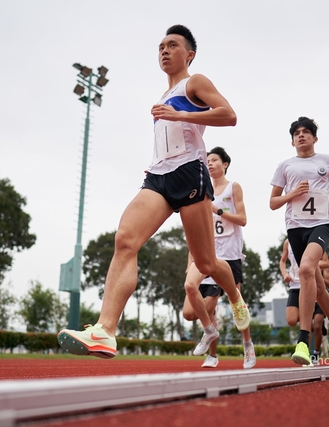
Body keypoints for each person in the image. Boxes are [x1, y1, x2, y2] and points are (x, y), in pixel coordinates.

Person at [58, 25, 250, 358]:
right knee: (125, 239)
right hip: (158, 177)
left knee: (205, 261)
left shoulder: (195, 82)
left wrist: (181, 112)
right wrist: (154, 162)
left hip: (190, 173)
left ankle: (234, 295)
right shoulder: (161, 96)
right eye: (160, 46)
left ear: (188, 54)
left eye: (172, 45)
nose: (164, 50)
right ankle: (105, 330)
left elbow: (229, 115)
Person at [270, 116, 329, 365]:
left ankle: (303, 341)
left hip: (322, 223)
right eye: (297, 133)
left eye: (306, 132)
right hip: (295, 227)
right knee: (316, 284)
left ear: (314, 138)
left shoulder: (328, 161)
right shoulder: (285, 166)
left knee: (307, 268)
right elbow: (273, 203)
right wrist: (292, 194)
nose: (301, 135)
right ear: (292, 141)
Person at [182, 146, 255, 369]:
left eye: (214, 160)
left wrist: (218, 211)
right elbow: (195, 230)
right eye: (207, 160)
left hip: (230, 255)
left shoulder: (233, 188)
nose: (210, 163)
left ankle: (247, 345)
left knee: (237, 307)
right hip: (207, 255)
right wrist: (190, 262)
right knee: (189, 312)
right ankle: (211, 345)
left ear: (224, 164)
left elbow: (242, 219)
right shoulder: (201, 189)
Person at [279, 239, 329, 364]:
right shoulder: (288, 242)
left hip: (311, 286)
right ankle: (308, 324)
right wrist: (285, 273)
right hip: (295, 286)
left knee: (316, 325)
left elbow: (327, 263)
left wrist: (309, 263)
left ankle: (313, 354)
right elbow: (282, 260)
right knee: (291, 320)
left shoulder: (315, 240)